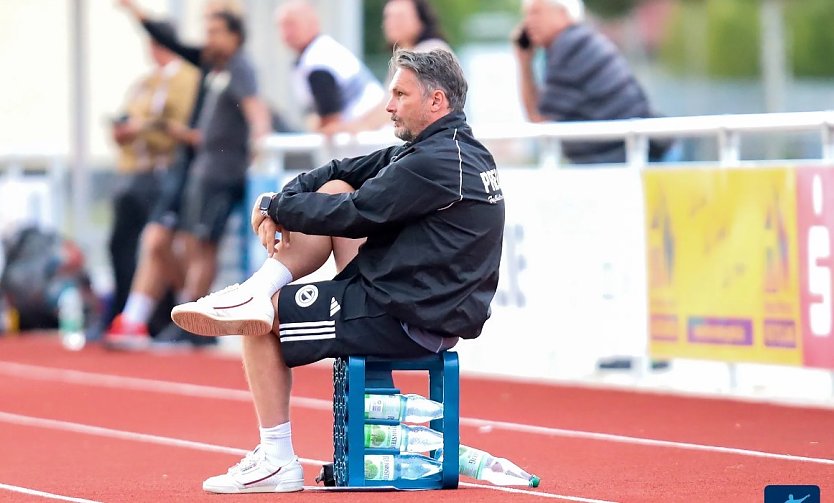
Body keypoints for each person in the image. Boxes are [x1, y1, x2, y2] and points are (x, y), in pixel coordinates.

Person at [170, 49, 504, 494]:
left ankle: (276, 461)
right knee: (333, 186)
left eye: (401, 95)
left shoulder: (436, 163)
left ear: (437, 101)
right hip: (408, 296)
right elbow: (342, 173)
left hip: (408, 317)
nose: (389, 106)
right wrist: (286, 198)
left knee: (262, 321)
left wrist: (275, 206)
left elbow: (355, 214)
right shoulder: (445, 149)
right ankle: (257, 288)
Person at [106, 0, 271, 350]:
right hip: (202, 171)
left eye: (214, 31)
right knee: (187, 245)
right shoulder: (214, 64)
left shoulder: (240, 67)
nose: (207, 38)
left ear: (234, 35)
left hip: (222, 172)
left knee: (200, 246)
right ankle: (186, 317)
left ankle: (195, 324)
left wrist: (261, 142)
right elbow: (175, 41)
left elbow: (257, 107)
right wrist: (137, 13)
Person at [105, 24, 198, 337]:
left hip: (166, 170)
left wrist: (143, 127)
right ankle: (125, 315)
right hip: (134, 172)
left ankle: (171, 318)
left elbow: (182, 126)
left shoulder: (187, 79)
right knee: (125, 245)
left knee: (161, 244)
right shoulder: (144, 82)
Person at [514, 0, 670, 164]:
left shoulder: (569, 47)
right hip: (643, 154)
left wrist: (524, 64)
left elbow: (540, 121)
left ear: (563, 13)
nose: (528, 22)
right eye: (526, 15)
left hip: (639, 161)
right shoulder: (578, 40)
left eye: (536, 13)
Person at [322, 0, 453, 134]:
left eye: (399, 17)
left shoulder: (431, 51)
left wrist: (353, 127)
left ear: (420, 20)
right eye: (388, 17)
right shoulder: (402, 59)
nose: (392, 23)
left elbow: (399, 105)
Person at [275, 0, 385, 132]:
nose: (286, 32)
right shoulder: (322, 51)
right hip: (369, 135)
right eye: (282, 26)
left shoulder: (317, 61)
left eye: (291, 24)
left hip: (371, 137)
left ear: (312, 23)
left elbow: (330, 123)